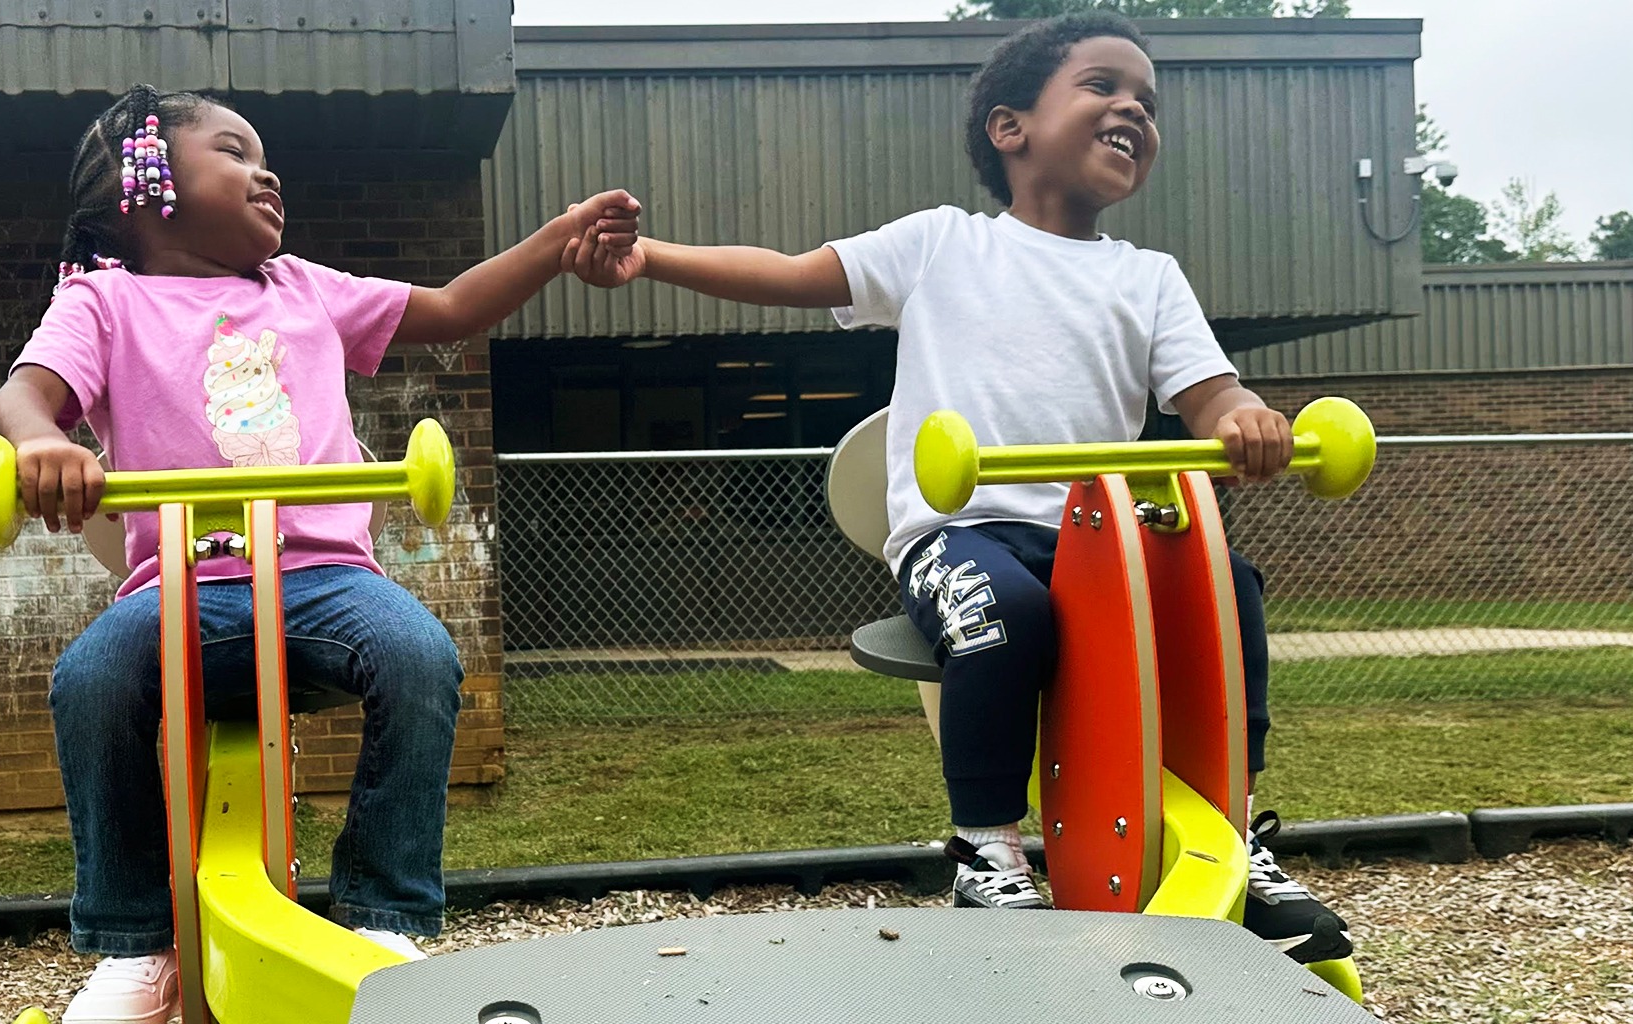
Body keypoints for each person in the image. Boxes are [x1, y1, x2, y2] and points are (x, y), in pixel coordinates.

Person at [563, 13, 1351, 966]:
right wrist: (652, 260)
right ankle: (985, 845)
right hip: (964, 530)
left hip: (1100, 538)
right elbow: (793, 275)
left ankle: (1234, 834)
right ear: (1010, 128)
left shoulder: (1149, 278)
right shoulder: (944, 245)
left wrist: (1248, 422)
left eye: (1148, 101)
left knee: (1235, 593)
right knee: (1003, 615)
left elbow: (1211, 394)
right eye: (1103, 86)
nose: (1133, 109)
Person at [0, 85, 640, 1024]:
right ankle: (136, 944)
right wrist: (40, 443)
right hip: (182, 586)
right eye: (235, 151)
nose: (268, 170)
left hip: (325, 580)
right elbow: (24, 396)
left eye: (265, 155)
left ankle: (384, 913)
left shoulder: (302, 287)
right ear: (150, 183)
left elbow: (454, 307)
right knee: (90, 680)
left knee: (418, 657)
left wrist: (556, 239)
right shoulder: (103, 301)